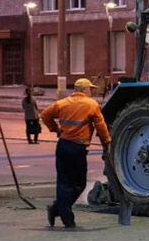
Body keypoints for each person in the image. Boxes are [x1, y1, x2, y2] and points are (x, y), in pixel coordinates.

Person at [40, 78, 112, 228]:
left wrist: (56, 130)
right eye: (90, 89)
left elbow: (45, 115)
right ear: (83, 89)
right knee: (79, 184)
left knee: (64, 183)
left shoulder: (62, 103)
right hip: (78, 149)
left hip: (63, 146)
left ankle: (58, 208)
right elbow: (101, 125)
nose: (91, 91)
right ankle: (66, 218)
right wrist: (107, 142)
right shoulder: (91, 105)